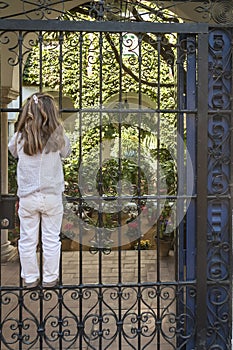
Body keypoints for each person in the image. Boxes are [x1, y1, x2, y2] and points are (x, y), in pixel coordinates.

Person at [8, 93, 71, 288]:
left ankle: (30, 277)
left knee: (27, 239)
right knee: (52, 239)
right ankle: (50, 278)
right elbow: (67, 153)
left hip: (28, 196)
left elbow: (12, 152)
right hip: (51, 196)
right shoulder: (58, 137)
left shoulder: (19, 138)